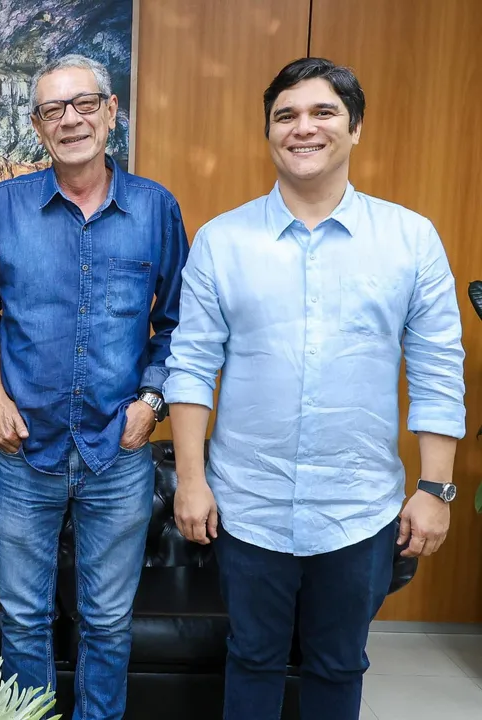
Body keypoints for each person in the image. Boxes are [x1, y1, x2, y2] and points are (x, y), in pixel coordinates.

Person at [164, 57, 465, 720]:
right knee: (251, 660)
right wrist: (191, 478)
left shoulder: (411, 240)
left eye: (323, 112)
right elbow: (189, 366)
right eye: (286, 116)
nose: (304, 128)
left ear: (354, 128)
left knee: (337, 667)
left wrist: (436, 488)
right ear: (269, 132)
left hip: (358, 509)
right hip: (248, 506)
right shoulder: (222, 241)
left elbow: (439, 368)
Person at [0, 54, 189, 719]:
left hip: (118, 452)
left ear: (111, 111)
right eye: (53, 110)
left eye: (84, 104)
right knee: (24, 621)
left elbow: (181, 323)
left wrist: (151, 402)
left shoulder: (154, 208)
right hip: (23, 450)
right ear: (36, 125)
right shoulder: (5, 206)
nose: (71, 120)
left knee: (108, 624)